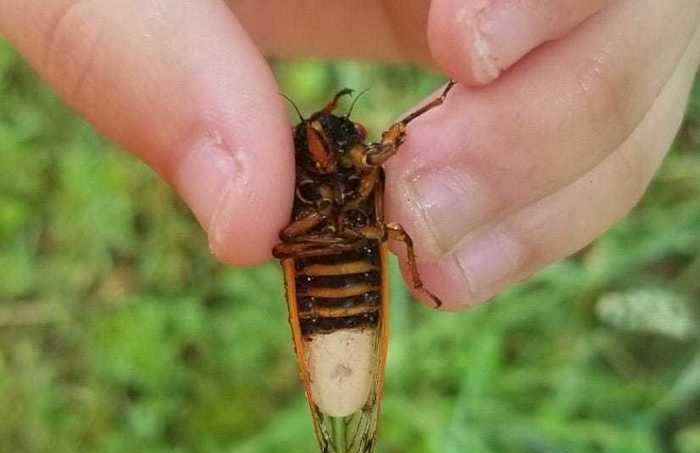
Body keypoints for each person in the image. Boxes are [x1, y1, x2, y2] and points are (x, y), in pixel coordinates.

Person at [1, 1, 697, 310]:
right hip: (339, 265)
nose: (343, 147)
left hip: (339, 262)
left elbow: (389, 157)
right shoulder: (348, 176)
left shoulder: (369, 167)